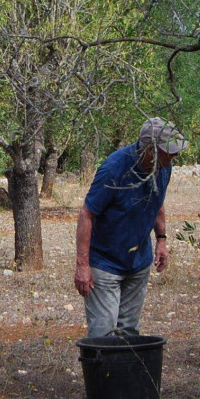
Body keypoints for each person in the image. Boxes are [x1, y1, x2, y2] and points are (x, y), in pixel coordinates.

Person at [73, 118, 184, 339]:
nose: (175, 155)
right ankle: (99, 364)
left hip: (138, 262)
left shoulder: (163, 167)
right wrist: (83, 265)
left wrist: (161, 239)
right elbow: (87, 214)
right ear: (151, 151)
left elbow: (157, 200)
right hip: (105, 263)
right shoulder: (113, 169)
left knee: (129, 333)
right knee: (103, 334)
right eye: (169, 151)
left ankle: (124, 364)